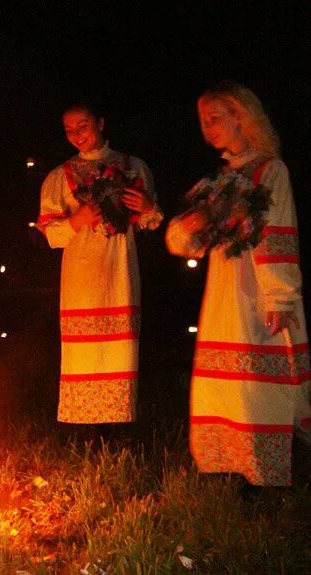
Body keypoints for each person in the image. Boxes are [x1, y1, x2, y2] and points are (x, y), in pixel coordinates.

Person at [166, 81, 311, 486]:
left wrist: (281, 296)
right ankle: (228, 466)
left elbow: (279, 231)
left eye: (215, 118)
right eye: (203, 121)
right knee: (227, 385)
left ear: (241, 117)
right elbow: (183, 242)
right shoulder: (221, 180)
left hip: (260, 291)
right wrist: (193, 226)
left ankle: (266, 473)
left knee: (258, 385)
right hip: (224, 293)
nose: (208, 127)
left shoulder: (270, 170)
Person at [36, 104, 163, 428]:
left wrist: (148, 207)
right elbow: (52, 234)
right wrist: (79, 219)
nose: (77, 135)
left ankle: (119, 425)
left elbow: (150, 221)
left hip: (119, 270)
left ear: (101, 123)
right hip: (81, 274)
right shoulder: (59, 176)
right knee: (85, 354)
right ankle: (87, 429)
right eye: (69, 130)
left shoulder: (133, 167)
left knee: (118, 349)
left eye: (83, 126)